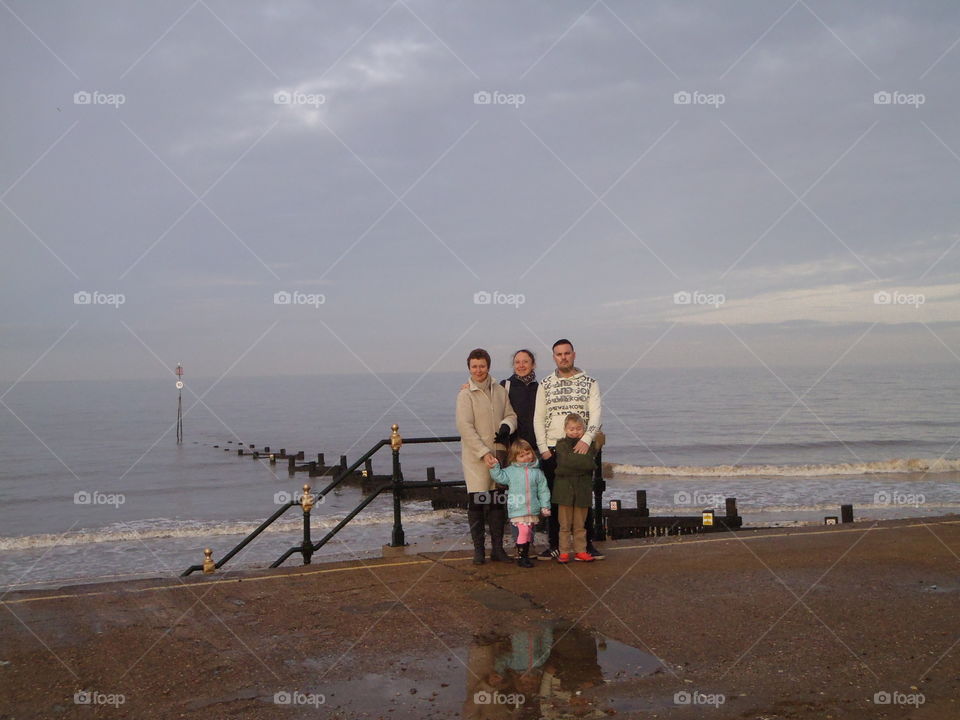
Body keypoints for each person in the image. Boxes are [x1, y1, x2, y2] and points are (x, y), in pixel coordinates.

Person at [534, 338, 604, 561]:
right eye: (558, 354)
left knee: (584, 498)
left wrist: (587, 439)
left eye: (567, 353)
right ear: (554, 357)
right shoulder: (545, 384)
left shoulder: (590, 382)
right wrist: (544, 449)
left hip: (582, 448)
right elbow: (538, 418)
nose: (563, 357)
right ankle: (555, 545)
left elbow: (595, 414)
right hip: (554, 449)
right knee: (557, 500)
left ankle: (587, 545)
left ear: (574, 354)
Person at [456, 348, 517, 564]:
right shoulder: (465, 395)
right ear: (469, 368)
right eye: (474, 366)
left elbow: (511, 414)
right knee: (477, 503)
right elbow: (465, 427)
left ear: (488, 366)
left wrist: (506, 426)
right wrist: (483, 453)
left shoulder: (500, 390)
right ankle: (479, 551)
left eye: (482, 366)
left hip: (499, 455)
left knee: (496, 502)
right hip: (476, 459)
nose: (478, 370)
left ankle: (498, 549)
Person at [489, 439, 551, 568]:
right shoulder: (511, 471)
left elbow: (543, 490)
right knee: (523, 531)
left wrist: (545, 505)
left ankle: (525, 554)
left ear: (532, 453)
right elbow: (500, 477)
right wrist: (494, 467)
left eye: (528, 454)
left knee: (528, 532)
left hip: (532, 508)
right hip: (518, 508)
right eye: (521, 456)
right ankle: (522, 557)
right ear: (515, 457)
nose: (525, 458)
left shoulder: (537, 472)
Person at [552, 414, 598, 563]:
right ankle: (564, 552)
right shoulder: (561, 444)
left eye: (579, 428)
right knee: (564, 526)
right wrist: (582, 463)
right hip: (564, 492)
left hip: (582, 492)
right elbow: (564, 464)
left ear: (584, 429)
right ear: (565, 429)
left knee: (580, 526)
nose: (575, 431)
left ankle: (581, 551)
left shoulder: (588, 444)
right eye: (571, 429)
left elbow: (589, 465)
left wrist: (580, 463)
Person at [499, 349, 539, 449]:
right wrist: (469, 387)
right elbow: (486, 395)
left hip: (536, 448)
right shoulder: (505, 385)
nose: (521, 365)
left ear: (533, 365)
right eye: (517, 362)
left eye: (525, 362)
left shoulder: (540, 388)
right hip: (513, 448)